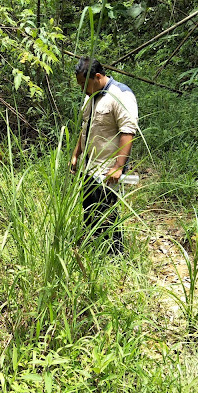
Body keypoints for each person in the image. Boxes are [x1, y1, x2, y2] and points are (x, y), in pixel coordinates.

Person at [70, 56, 138, 253]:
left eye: (84, 84)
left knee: (107, 214)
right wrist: (76, 154)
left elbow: (128, 132)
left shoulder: (121, 95)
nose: (82, 89)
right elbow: (85, 128)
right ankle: (92, 250)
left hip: (107, 168)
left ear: (98, 77)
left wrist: (118, 167)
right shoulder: (90, 97)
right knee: (89, 209)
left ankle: (115, 256)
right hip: (89, 166)